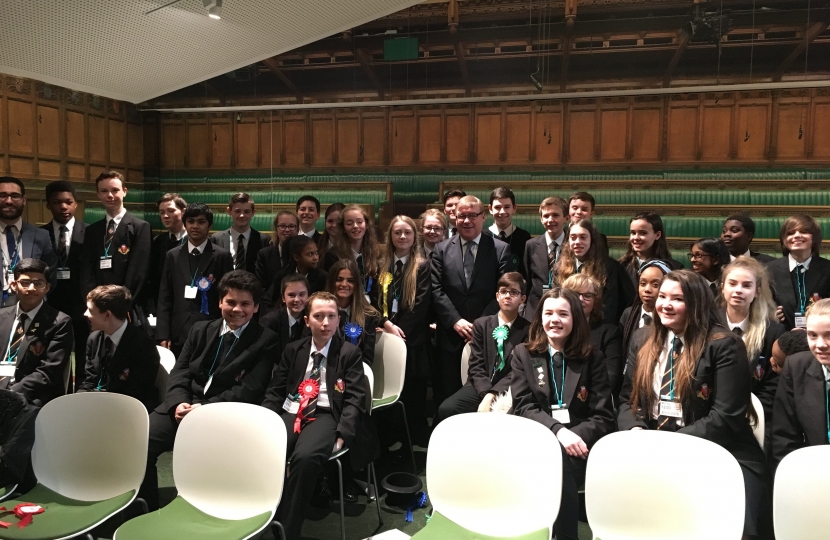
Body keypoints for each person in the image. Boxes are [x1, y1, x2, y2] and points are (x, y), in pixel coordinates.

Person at [617, 270, 771, 539]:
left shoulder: (724, 345)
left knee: (736, 529)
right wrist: (636, 432)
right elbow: (628, 399)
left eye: (677, 298)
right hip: (653, 450)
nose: (665, 304)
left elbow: (725, 417)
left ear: (697, 302)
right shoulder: (642, 338)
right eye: (663, 296)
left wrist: (667, 445)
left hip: (722, 452)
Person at [139, 270, 278, 510]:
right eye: (231, 302)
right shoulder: (199, 329)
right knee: (140, 442)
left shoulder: (266, 340)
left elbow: (249, 389)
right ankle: (145, 509)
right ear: (220, 302)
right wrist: (178, 403)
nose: (237, 309)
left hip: (225, 414)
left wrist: (204, 409)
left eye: (245, 304)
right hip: (184, 406)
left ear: (256, 307)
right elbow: (180, 372)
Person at [261, 291, 366, 540]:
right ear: (307, 320)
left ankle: (286, 529)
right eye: (318, 316)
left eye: (331, 316)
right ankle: (261, 513)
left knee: (305, 457)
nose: (326, 323)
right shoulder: (293, 350)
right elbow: (276, 389)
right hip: (293, 409)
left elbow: (355, 400)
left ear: (339, 320)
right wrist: (263, 421)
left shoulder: (349, 354)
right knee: (265, 448)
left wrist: (343, 434)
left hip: (327, 414)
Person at [511, 287, 614, 540]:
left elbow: (603, 416)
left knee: (560, 463)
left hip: (578, 445)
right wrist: (558, 431)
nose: (554, 320)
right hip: (536, 436)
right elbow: (524, 406)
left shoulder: (593, 358)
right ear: (540, 318)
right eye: (548, 313)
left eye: (563, 314)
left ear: (575, 319)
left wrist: (570, 437)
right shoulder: (523, 354)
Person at [431, 195, 513, 404]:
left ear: (483, 216)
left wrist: (479, 325)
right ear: (454, 218)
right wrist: (456, 321)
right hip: (450, 333)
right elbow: (436, 289)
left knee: (482, 393)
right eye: (461, 216)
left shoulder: (499, 249)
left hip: (487, 334)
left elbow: (504, 290)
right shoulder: (441, 249)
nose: (467, 221)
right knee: (447, 395)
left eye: (472, 215)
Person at [437, 272, 529, 422]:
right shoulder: (481, 324)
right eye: (503, 291)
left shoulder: (527, 330)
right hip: (479, 385)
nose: (507, 296)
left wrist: (493, 394)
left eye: (514, 292)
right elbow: (476, 365)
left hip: (508, 389)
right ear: (497, 296)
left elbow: (517, 370)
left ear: (522, 299)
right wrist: (485, 393)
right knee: (447, 409)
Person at [376, 216, 432, 442]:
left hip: (412, 340)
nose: (402, 237)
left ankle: (411, 441)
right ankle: (389, 439)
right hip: (385, 337)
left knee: (412, 395)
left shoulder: (422, 265)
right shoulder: (381, 265)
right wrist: (384, 324)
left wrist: (399, 331)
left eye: (407, 232)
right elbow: (371, 301)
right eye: (397, 232)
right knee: (387, 389)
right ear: (390, 236)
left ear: (414, 236)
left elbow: (421, 306)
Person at [720, 257, 785, 450]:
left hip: (755, 419)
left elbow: (773, 384)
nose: (738, 290)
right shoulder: (707, 326)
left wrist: (748, 414)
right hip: (712, 418)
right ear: (722, 287)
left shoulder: (773, 331)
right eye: (732, 284)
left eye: (746, 285)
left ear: (757, 291)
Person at [156, 203, 234, 357]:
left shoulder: (221, 256)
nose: (195, 226)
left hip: (211, 327)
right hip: (179, 330)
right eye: (191, 221)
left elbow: (227, 295)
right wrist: (163, 333)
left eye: (201, 222)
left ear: (209, 225)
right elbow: (165, 296)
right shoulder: (173, 255)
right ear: (185, 224)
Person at [80, 170, 152, 333]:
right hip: (97, 309)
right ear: (98, 194)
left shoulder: (140, 227)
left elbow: (138, 272)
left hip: (125, 308)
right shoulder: (92, 230)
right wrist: (94, 302)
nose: (110, 195)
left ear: (124, 192)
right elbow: (87, 270)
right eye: (104, 191)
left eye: (114, 190)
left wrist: (119, 304)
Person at [0, 258, 72, 407]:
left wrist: (8, 394)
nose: (32, 288)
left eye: (38, 283)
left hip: (31, 396)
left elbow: (48, 372)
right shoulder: (1, 317)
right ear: (14, 285)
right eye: (25, 283)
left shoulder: (59, 322)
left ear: (47, 288)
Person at [78, 285, 160, 411]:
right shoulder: (93, 339)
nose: (85, 314)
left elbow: (138, 390)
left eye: (90, 310)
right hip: (97, 404)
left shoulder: (143, 345)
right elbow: (89, 380)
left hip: (128, 409)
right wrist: (76, 402)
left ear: (107, 315)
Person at [771, 298, 830, 470]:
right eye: (812, 335)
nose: (820, 345)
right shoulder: (796, 366)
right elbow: (784, 437)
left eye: (829, 335)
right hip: (812, 472)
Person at [41, 180, 88, 388]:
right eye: (57, 202)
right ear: (48, 205)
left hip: (82, 307)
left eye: (68, 202)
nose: (63, 207)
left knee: (85, 357)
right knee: (52, 356)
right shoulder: (40, 235)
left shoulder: (91, 233)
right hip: (50, 307)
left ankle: (82, 396)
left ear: (76, 204)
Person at [562, 274, 623, 405]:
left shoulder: (610, 333)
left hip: (594, 401)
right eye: (575, 294)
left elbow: (610, 376)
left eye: (587, 295)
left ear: (596, 300)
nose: (580, 299)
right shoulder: (556, 330)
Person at [0, 176, 58, 307]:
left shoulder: (41, 236)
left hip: (31, 308)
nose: (9, 201)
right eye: (2, 195)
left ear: (24, 200)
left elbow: (50, 276)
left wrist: (35, 300)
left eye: (14, 195)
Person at [766, 214, 830, 330]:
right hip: (781, 335)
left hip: (821, 335)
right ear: (784, 239)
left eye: (804, 232)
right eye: (790, 233)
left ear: (814, 238)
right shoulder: (769, 270)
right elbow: (761, 306)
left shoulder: (828, 269)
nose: (796, 236)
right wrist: (770, 314)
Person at [554, 219, 623, 324]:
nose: (577, 242)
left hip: (597, 326)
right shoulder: (560, 267)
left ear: (592, 240)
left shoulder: (608, 267)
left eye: (583, 237)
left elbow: (610, 307)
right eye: (573, 238)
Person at [618, 211, 684, 313]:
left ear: (657, 235)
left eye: (643, 233)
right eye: (633, 233)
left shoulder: (674, 268)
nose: (636, 238)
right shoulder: (621, 266)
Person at [326, 258, 381, 366]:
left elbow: (367, 359)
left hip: (355, 373)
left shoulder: (368, 316)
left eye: (350, 280)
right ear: (332, 281)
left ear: (356, 284)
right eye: (339, 279)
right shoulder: (319, 312)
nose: (344, 284)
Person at [323, 205, 381, 307]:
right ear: (343, 228)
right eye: (349, 223)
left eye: (359, 222)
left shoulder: (375, 253)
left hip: (371, 310)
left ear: (366, 225)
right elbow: (331, 288)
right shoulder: (333, 255)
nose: (355, 226)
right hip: (343, 307)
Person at [523, 196, 568, 319]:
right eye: (546, 216)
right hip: (535, 309)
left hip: (565, 308)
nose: (550, 220)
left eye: (555, 215)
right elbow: (527, 278)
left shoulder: (572, 244)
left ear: (566, 218)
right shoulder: (531, 245)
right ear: (541, 219)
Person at [262, 235, 326, 313]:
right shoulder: (283, 275)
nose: (315, 257)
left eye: (316, 253)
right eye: (310, 254)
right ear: (296, 257)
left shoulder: (322, 277)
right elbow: (268, 300)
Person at [209, 192, 271, 272]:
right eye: (237, 211)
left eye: (247, 212)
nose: (242, 215)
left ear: (253, 213)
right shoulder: (216, 239)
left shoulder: (263, 240)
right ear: (229, 211)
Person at [147, 193, 187, 317]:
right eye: (162, 212)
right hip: (162, 304)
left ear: (183, 212)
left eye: (170, 211)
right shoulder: (158, 241)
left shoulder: (195, 241)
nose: (165, 216)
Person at [259, 274, 311, 349]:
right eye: (291, 295)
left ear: (308, 296)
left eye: (301, 294)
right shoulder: (270, 321)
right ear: (283, 298)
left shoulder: (312, 320)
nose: (297, 299)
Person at [488, 187, 531, 276]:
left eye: (507, 207)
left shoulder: (524, 237)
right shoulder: (483, 236)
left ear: (514, 208)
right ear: (490, 209)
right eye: (497, 207)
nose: (502, 212)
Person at [254, 211, 299, 288]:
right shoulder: (264, 255)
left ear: (297, 229)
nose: (287, 230)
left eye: (291, 226)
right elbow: (260, 286)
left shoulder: (303, 253)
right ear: (276, 229)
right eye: (282, 226)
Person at [568, 192, 609, 256]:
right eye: (575, 208)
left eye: (584, 209)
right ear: (568, 210)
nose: (579, 212)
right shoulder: (561, 234)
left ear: (591, 214)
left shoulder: (601, 239)